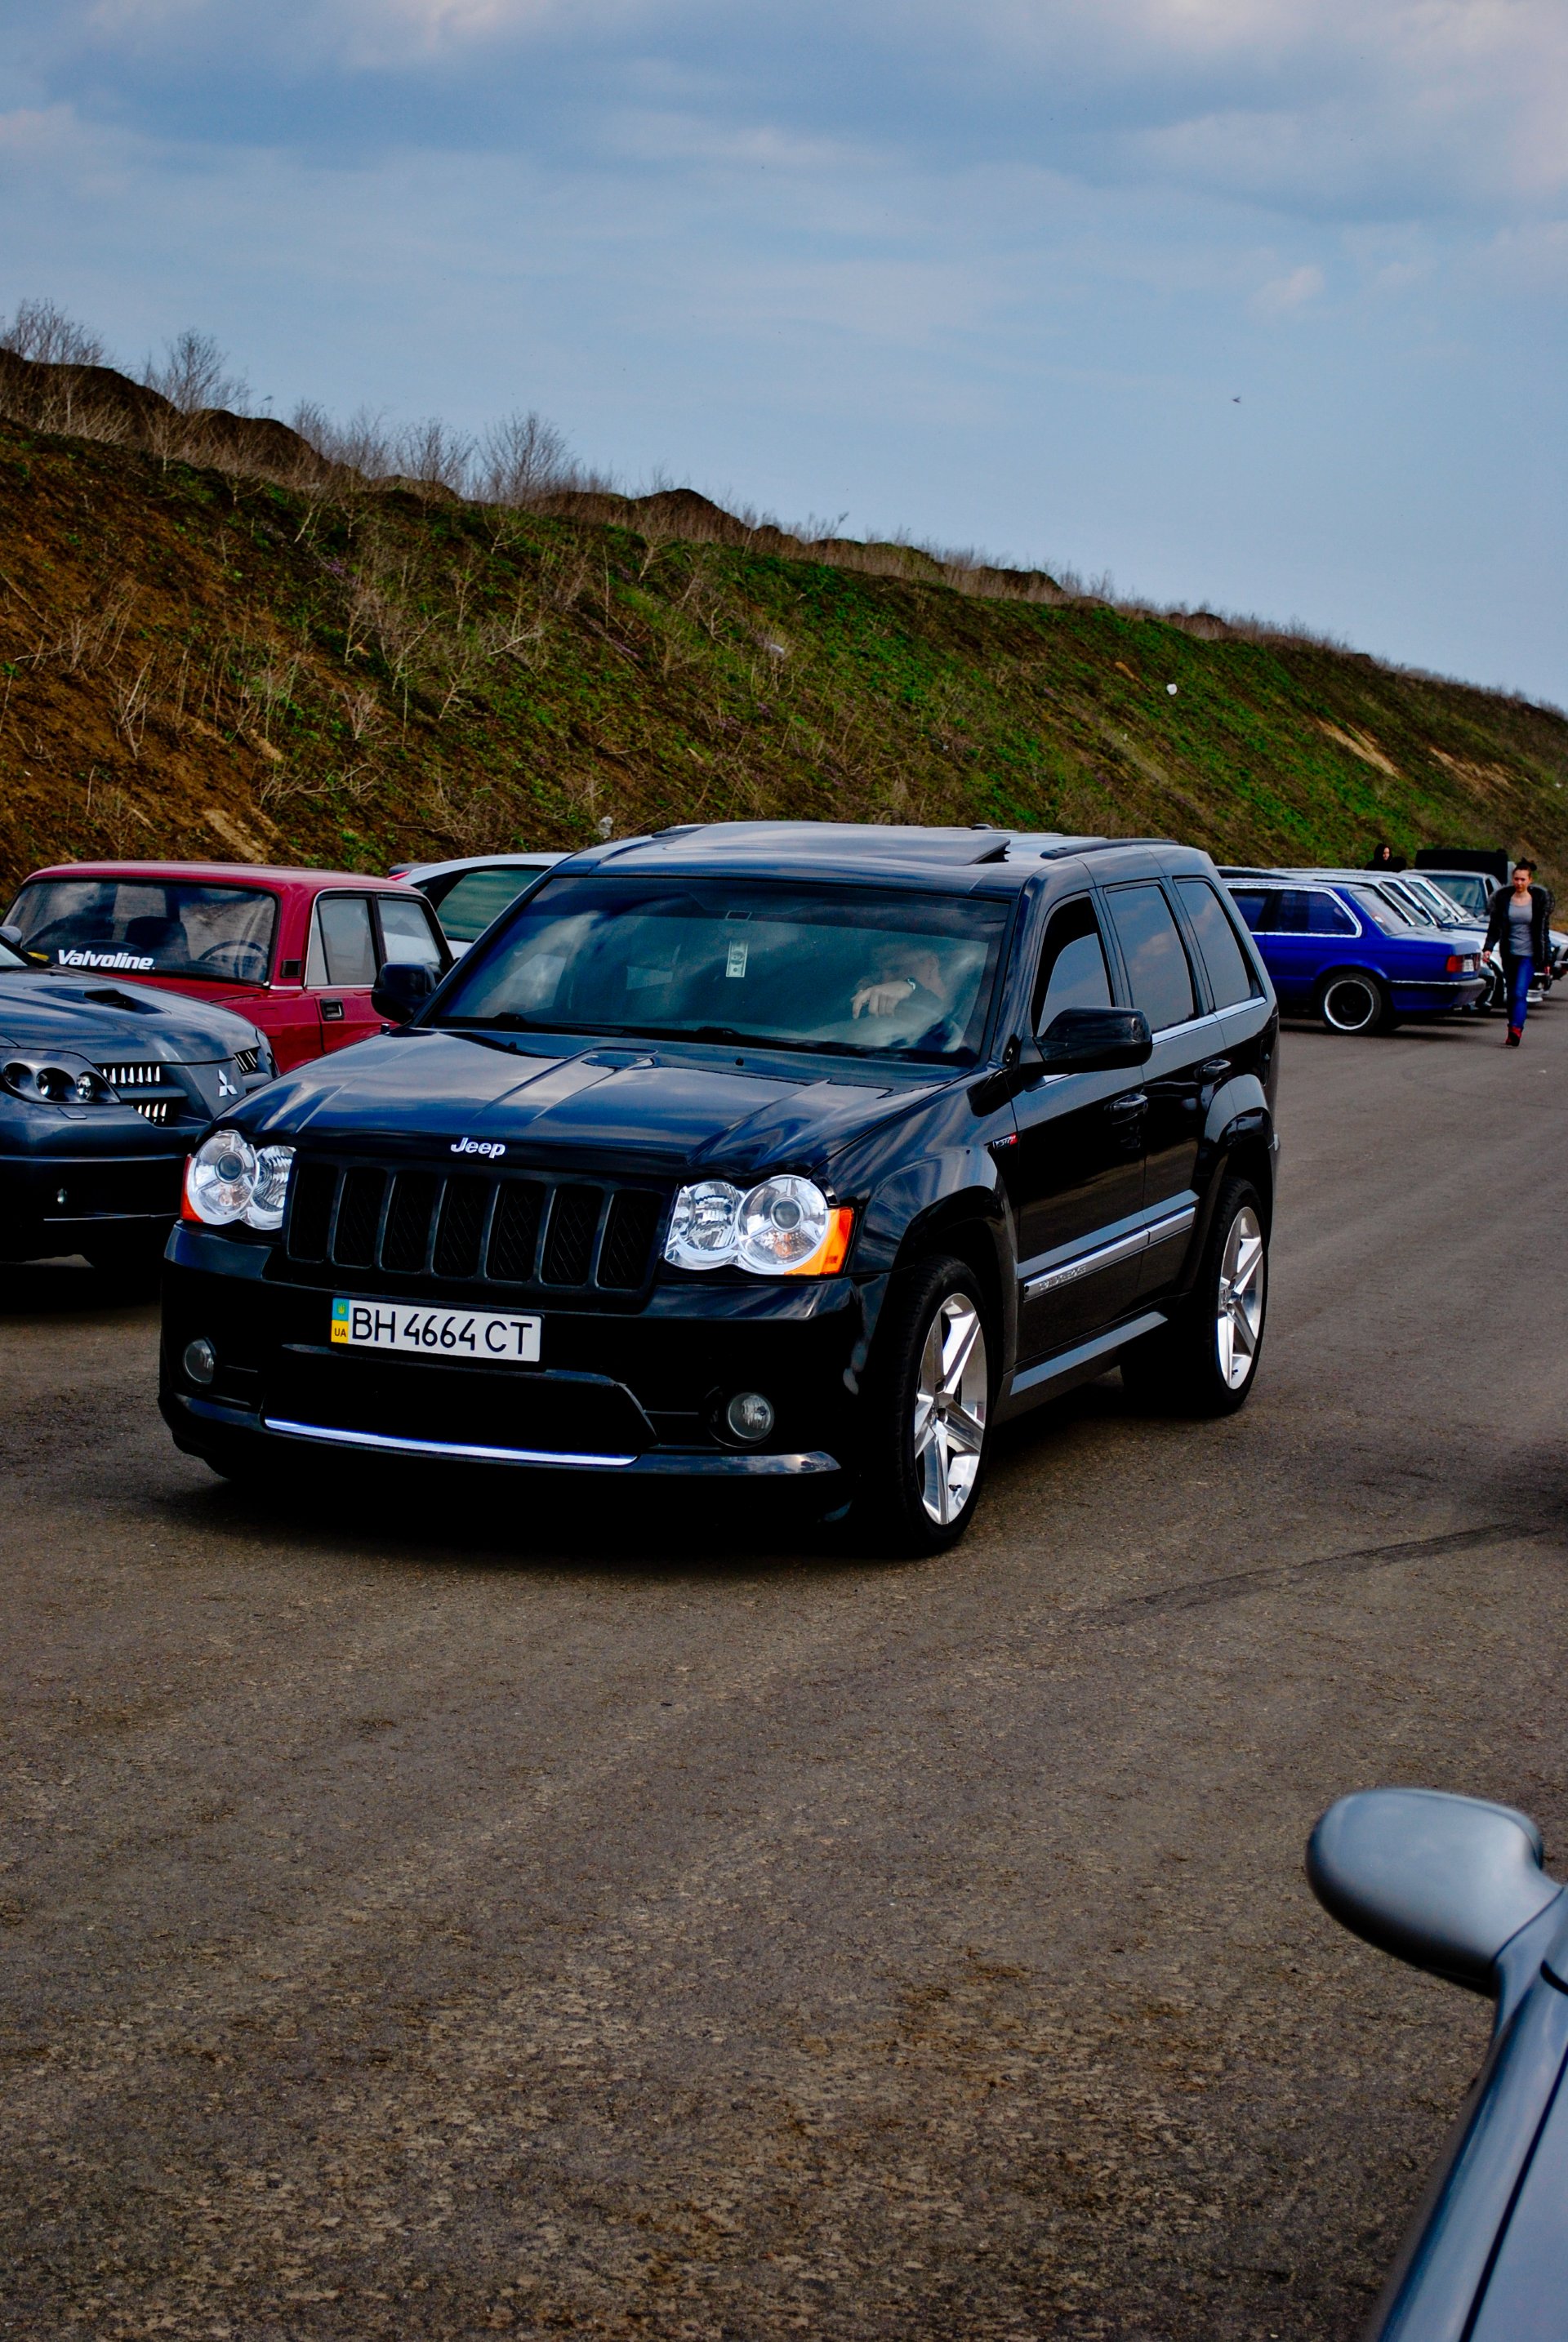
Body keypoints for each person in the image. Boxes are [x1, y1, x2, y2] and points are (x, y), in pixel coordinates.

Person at [1483, 859, 1552, 1046]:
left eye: (1523, 879)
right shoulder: (1504, 900)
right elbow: (1494, 927)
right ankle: (1512, 1025)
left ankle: (1516, 1029)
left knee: (1520, 992)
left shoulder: (1538, 903)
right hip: (1509, 953)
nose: (1519, 883)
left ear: (1530, 880)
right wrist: (1488, 948)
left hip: (1529, 955)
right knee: (1512, 993)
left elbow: (1544, 932)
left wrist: (1547, 959)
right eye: (1516, 879)